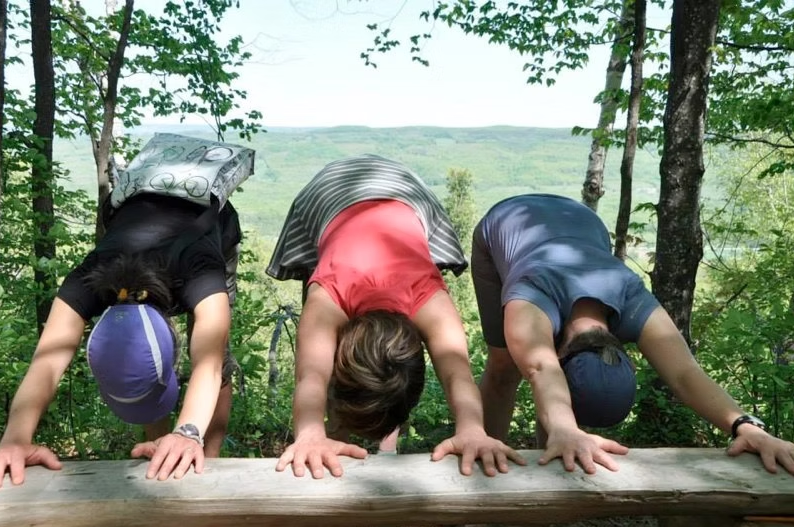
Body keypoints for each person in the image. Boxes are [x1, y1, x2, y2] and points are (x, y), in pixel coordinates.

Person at [472, 193, 794, 475]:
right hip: (507, 220)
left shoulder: (632, 299)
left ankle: (559, 458)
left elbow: (684, 373)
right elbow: (541, 367)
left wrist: (747, 427)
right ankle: (485, 466)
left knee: (563, 417)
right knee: (505, 365)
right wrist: (564, 427)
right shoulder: (529, 299)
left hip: (584, 222)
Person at [0, 134, 254, 486]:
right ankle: (157, 449)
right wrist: (14, 439)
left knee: (216, 353)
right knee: (143, 365)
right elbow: (47, 359)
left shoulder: (201, 271)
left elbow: (208, 364)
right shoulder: (89, 277)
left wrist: (189, 432)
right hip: (136, 227)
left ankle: (204, 459)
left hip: (210, 226)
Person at [268, 154, 524, 479]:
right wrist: (308, 434)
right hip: (327, 192)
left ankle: (385, 440)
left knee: (390, 378)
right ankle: (336, 435)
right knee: (320, 357)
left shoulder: (429, 298)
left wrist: (473, 429)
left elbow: (457, 374)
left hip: (408, 193)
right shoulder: (328, 295)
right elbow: (312, 376)